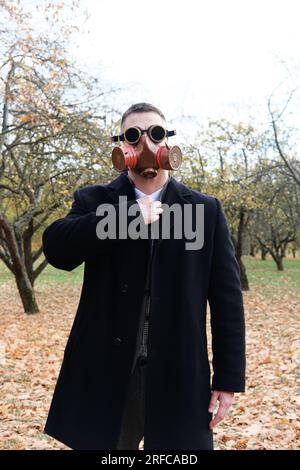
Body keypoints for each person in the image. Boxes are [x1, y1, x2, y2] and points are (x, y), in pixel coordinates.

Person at [43, 102, 246, 450]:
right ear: (122, 147)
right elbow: (57, 250)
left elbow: (227, 301)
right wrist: (126, 217)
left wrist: (228, 380)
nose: (145, 146)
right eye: (133, 137)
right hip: (106, 372)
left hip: (178, 372)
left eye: (155, 134)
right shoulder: (97, 201)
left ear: (167, 142)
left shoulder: (203, 210)